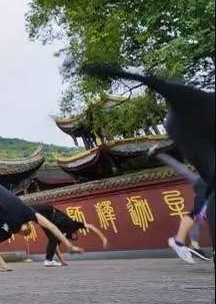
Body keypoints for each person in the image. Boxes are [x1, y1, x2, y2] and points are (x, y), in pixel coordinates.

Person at [81, 65, 215, 249]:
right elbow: (150, 81)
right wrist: (103, 70)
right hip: (181, 130)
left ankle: (162, 154)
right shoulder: (188, 96)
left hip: (196, 138)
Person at [149, 147, 213, 262]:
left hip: (204, 183)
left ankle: (192, 244)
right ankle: (180, 242)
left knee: (198, 214)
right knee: (198, 213)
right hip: (206, 185)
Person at [31, 203, 108, 266]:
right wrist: (103, 238)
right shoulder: (74, 224)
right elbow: (90, 226)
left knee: (53, 239)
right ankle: (48, 260)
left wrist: (62, 261)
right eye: (73, 237)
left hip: (46, 215)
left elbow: (55, 247)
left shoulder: (61, 234)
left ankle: (48, 260)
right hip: (47, 210)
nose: (73, 238)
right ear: (74, 234)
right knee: (25, 211)